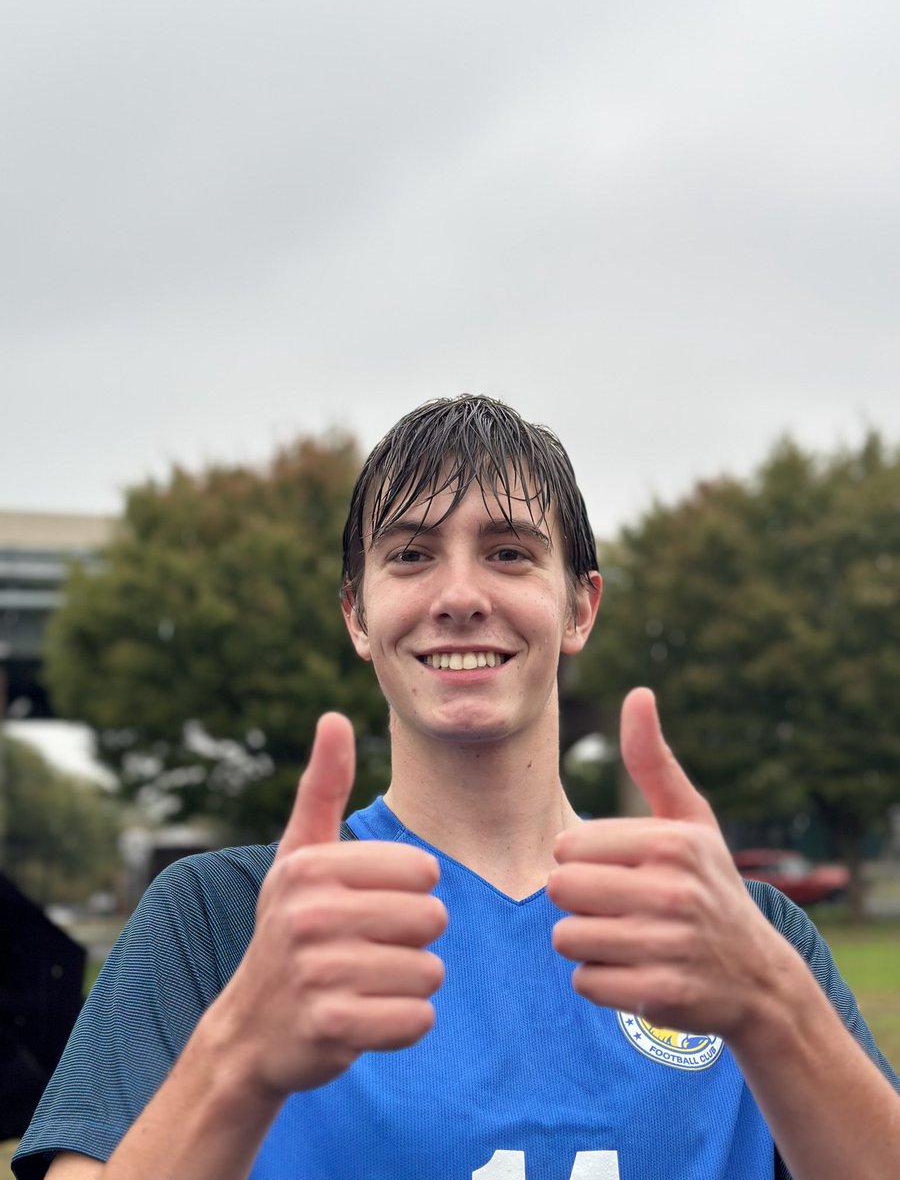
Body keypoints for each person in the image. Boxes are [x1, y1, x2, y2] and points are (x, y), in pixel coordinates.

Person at [14, 394, 900, 1180]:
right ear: (358, 615)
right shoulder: (219, 917)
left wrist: (774, 1006)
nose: (461, 595)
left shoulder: (742, 934)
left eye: (510, 553)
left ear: (581, 606)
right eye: (410, 555)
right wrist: (238, 1058)